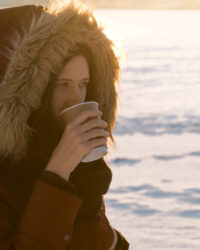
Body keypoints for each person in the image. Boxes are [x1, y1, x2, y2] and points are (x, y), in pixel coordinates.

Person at [0, 1, 129, 249]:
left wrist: (89, 201)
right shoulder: (7, 173)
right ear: (34, 93)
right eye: (63, 84)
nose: (77, 99)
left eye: (83, 84)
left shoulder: (64, 154)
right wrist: (57, 173)